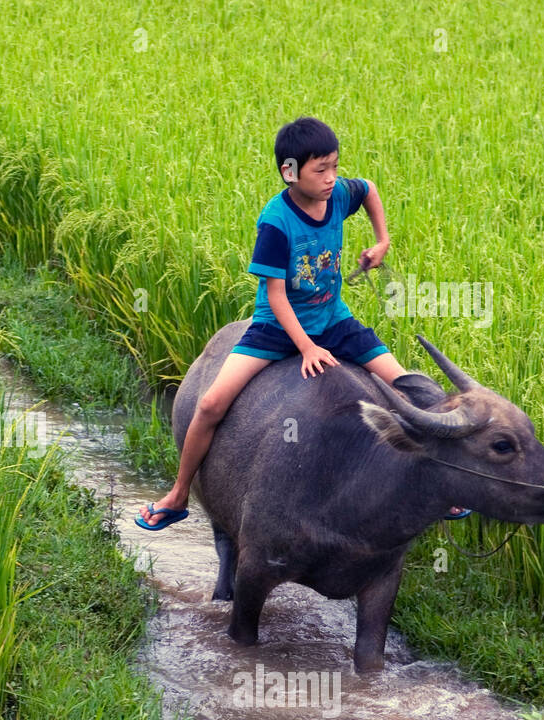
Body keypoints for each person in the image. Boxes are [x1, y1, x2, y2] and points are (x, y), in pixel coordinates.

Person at [136, 116, 471, 530]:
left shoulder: (338, 195)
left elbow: (368, 190)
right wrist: (307, 347)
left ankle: (441, 490)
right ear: (289, 172)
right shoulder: (275, 223)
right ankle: (179, 493)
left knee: (412, 389)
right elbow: (276, 296)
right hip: (277, 329)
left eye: (334, 166)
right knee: (209, 405)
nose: (332, 178)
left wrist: (381, 241)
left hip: (334, 320)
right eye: (321, 170)